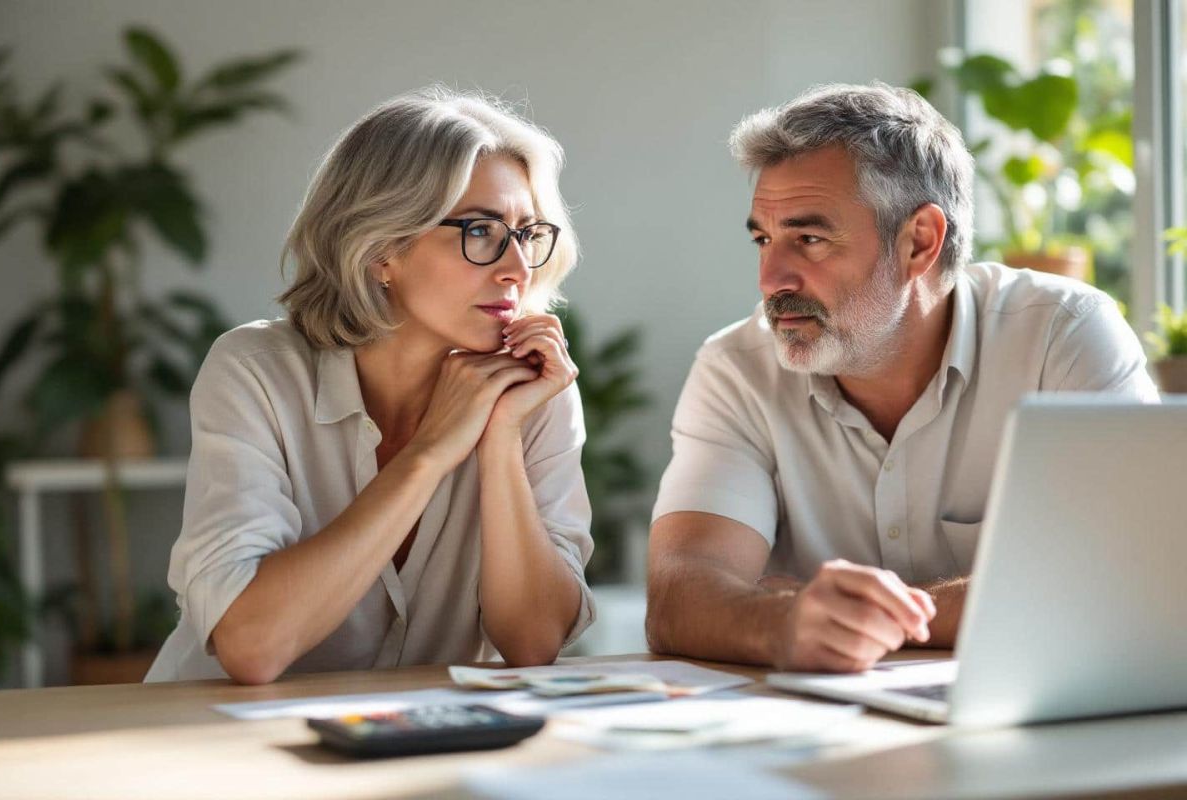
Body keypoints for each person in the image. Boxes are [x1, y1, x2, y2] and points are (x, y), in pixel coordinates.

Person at [645, 83, 1158, 674]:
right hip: (825, 723)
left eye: (809, 239)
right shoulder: (735, 368)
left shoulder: (1062, 336)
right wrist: (781, 623)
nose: (771, 278)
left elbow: (1129, 571)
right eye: (764, 239)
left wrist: (846, 618)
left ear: (920, 242)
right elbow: (679, 598)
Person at [146, 88, 594, 684]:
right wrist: (428, 454)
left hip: (418, 733)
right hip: (214, 728)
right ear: (382, 248)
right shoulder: (255, 371)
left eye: (528, 234)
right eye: (482, 231)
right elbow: (253, 646)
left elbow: (533, 644)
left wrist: (501, 438)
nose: (516, 269)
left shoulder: (533, 392)